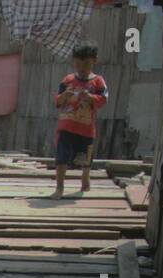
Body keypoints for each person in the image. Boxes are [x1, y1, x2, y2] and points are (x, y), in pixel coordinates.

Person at [49, 41, 108, 200]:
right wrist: (63, 97)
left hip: (86, 129)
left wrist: (90, 97)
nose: (82, 68)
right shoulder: (67, 80)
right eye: (78, 64)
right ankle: (59, 187)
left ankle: (85, 178)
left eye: (86, 64)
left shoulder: (98, 81)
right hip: (66, 126)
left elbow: (103, 100)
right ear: (73, 62)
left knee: (85, 158)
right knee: (62, 157)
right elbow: (57, 101)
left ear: (94, 61)